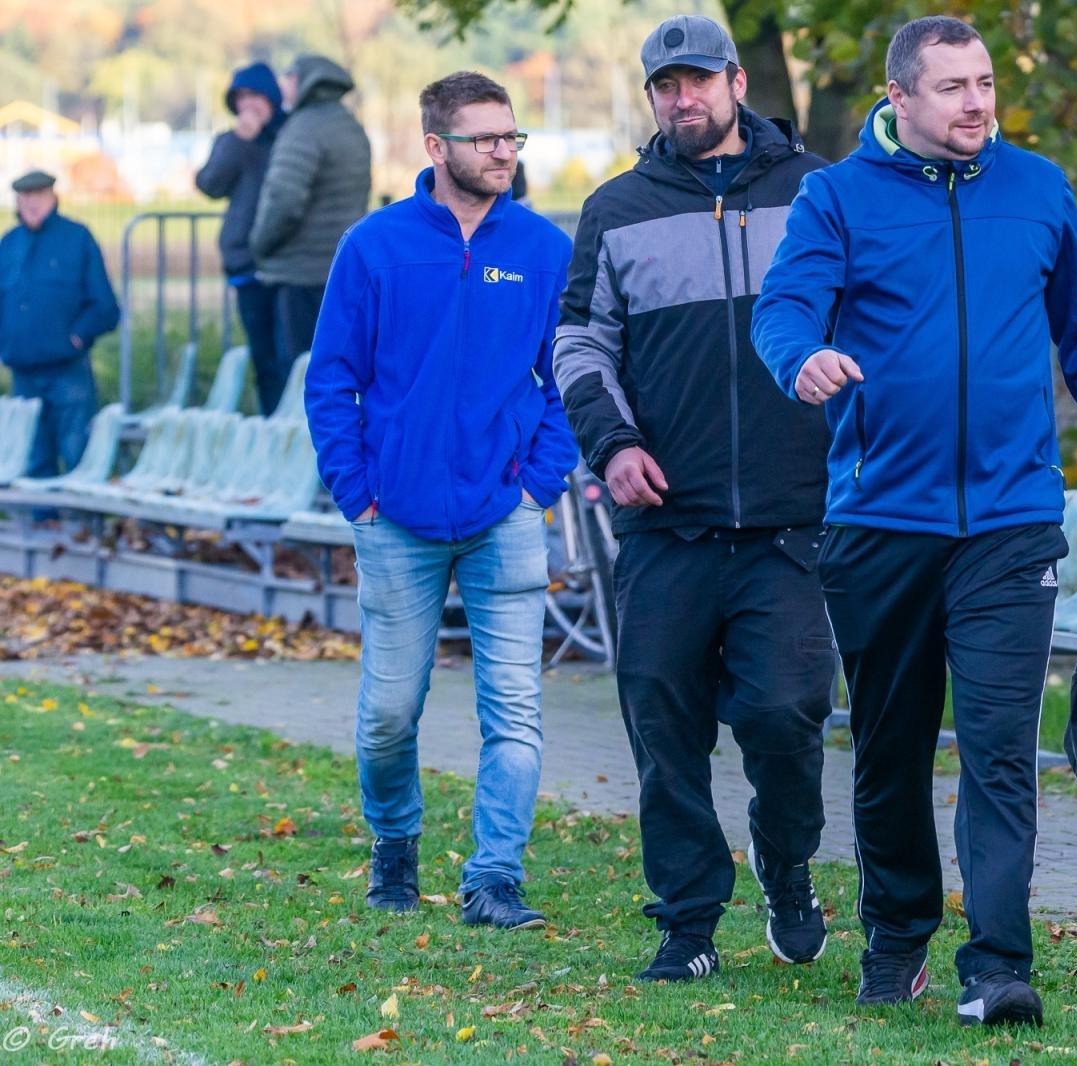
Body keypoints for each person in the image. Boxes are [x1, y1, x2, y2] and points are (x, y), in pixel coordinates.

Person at [752, 16, 1077, 1027]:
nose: (976, 102)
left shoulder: (1036, 189)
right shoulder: (837, 196)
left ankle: (996, 966)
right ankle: (896, 936)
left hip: (1010, 521)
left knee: (997, 751)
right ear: (900, 97)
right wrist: (801, 359)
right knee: (891, 749)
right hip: (879, 522)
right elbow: (782, 308)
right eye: (952, 87)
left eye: (984, 82)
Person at [553, 15, 835, 983]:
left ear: (736, 82)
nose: (683, 99)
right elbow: (579, 344)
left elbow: (871, 322)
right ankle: (687, 923)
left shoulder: (816, 193)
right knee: (663, 730)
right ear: (651, 97)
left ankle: (787, 866)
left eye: (698, 81)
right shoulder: (616, 208)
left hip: (792, 526)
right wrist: (614, 444)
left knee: (786, 715)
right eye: (665, 86)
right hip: (665, 524)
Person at [304, 71, 578, 930]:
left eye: (511, 136)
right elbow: (330, 381)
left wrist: (537, 483)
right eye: (484, 138)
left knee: (516, 713)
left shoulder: (542, 248)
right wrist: (358, 492)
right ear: (435, 146)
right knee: (389, 714)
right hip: (395, 519)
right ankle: (395, 843)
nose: (504, 152)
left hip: (506, 515)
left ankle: (494, 878)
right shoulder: (374, 247)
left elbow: (571, 376)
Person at [250, 54, 371, 372]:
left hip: (300, 272)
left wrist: (259, 245)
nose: (283, 88)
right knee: (335, 369)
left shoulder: (303, 128)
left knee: (298, 372)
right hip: (341, 268)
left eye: (288, 79)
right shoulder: (350, 126)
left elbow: (283, 200)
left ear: (303, 81)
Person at [0, 170, 119, 479]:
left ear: (53, 197)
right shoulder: (9, 245)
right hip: (23, 373)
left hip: (67, 371)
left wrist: (77, 337)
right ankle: (41, 511)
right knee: (32, 461)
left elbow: (105, 306)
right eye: (25, 196)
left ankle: (83, 512)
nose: (32, 203)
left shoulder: (76, 239)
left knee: (77, 455)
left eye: (38, 195)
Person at [195, 62, 290, 414]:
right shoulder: (230, 141)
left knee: (293, 354)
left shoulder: (293, 134)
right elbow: (210, 185)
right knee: (263, 358)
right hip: (246, 262)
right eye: (241, 97)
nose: (248, 104)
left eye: (255, 96)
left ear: (271, 98)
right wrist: (238, 142)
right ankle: (270, 424)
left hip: (289, 261)